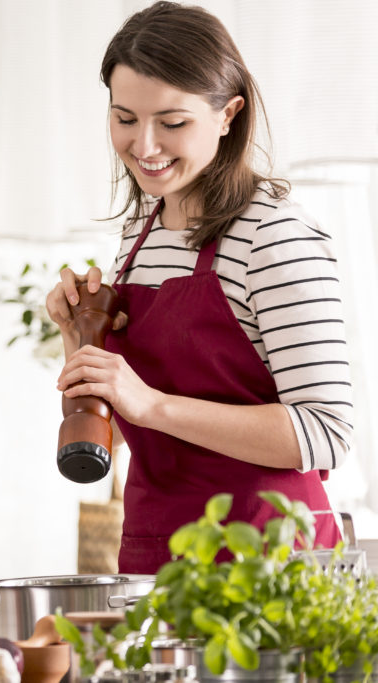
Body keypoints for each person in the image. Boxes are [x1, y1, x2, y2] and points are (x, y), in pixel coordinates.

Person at [46, 2, 352, 574]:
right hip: (156, 552)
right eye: (125, 118)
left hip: (268, 562)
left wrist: (153, 404)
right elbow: (121, 425)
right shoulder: (140, 234)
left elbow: (325, 431)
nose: (145, 146)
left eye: (173, 122)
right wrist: (78, 341)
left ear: (228, 114)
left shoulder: (275, 235)